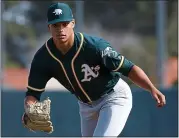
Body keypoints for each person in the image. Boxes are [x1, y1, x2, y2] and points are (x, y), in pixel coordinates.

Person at [22, 2, 166, 137]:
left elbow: (129, 68)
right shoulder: (43, 58)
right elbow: (33, 93)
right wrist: (30, 109)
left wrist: (151, 88)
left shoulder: (95, 47)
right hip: (86, 107)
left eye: (65, 24)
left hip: (113, 97)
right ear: (49, 27)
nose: (61, 29)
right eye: (55, 25)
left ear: (73, 24)